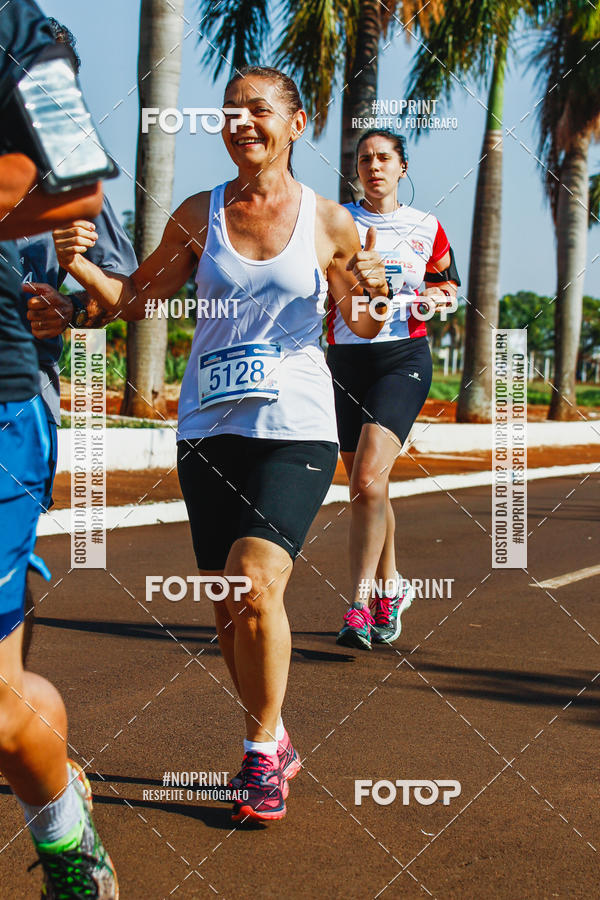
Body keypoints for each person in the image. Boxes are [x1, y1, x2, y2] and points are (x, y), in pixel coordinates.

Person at [51, 65, 389, 823]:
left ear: (295, 125)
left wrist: (371, 289)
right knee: (229, 612)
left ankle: (260, 754)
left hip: (294, 428)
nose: (241, 123)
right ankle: (272, 736)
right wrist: (75, 267)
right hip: (208, 429)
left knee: (253, 580)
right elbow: (136, 302)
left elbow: (360, 326)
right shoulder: (198, 215)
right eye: (230, 112)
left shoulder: (329, 221)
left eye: (258, 111)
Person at [0, 2, 118, 896]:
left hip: (3, 398)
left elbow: (76, 185)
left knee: (3, 713)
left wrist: (73, 293)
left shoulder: (19, 33)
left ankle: (68, 839)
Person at [16, 17, 137, 663]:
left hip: (18, 396)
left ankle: (14, 722)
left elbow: (120, 300)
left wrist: (70, 304)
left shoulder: (73, 180)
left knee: (4, 563)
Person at [326, 129, 460, 651]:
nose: (373, 167)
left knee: (365, 478)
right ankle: (392, 587)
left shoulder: (426, 226)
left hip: (403, 357)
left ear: (403, 168)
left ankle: (359, 606)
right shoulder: (337, 223)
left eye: (384, 158)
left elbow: (449, 288)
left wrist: (419, 299)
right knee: (370, 487)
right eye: (364, 160)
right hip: (345, 360)